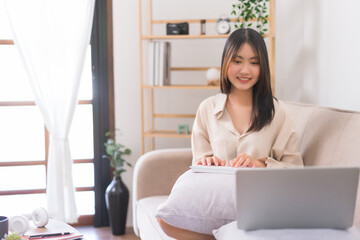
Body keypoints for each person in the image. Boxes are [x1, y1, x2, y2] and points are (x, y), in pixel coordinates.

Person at [158, 28, 304, 239]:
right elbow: (199, 164)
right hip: (216, 205)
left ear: (263, 67)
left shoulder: (278, 112)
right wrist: (207, 163)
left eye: (254, 63)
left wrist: (260, 164)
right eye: (237, 61)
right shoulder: (207, 109)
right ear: (225, 62)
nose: (245, 70)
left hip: (260, 205)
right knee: (165, 220)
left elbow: (295, 171)